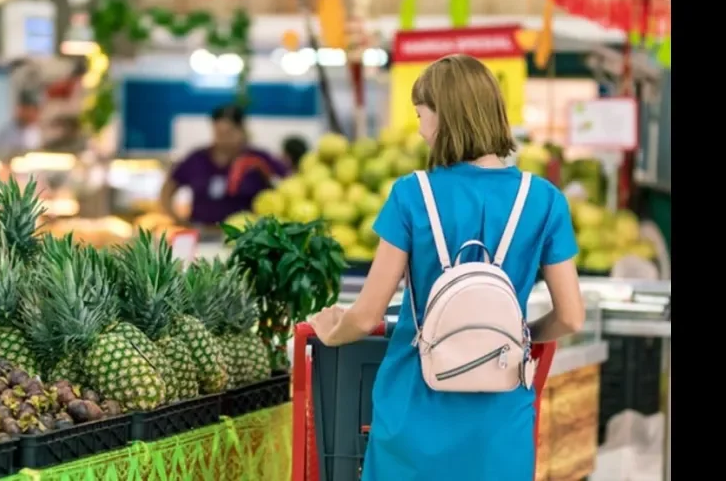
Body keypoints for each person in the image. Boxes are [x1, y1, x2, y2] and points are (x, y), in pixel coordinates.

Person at [308, 54, 585, 481]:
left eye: (422, 114)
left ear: (445, 117)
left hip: (413, 412)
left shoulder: (411, 195)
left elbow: (365, 315)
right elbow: (570, 316)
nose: (420, 128)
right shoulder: (545, 199)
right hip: (501, 416)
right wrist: (518, 338)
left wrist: (332, 330)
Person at [160, 105, 288, 226]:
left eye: (229, 133)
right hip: (202, 233)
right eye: (218, 133)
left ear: (242, 130)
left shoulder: (258, 159)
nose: (223, 138)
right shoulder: (197, 159)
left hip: (247, 236)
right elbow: (168, 188)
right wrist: (177, 219)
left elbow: (287, 184)